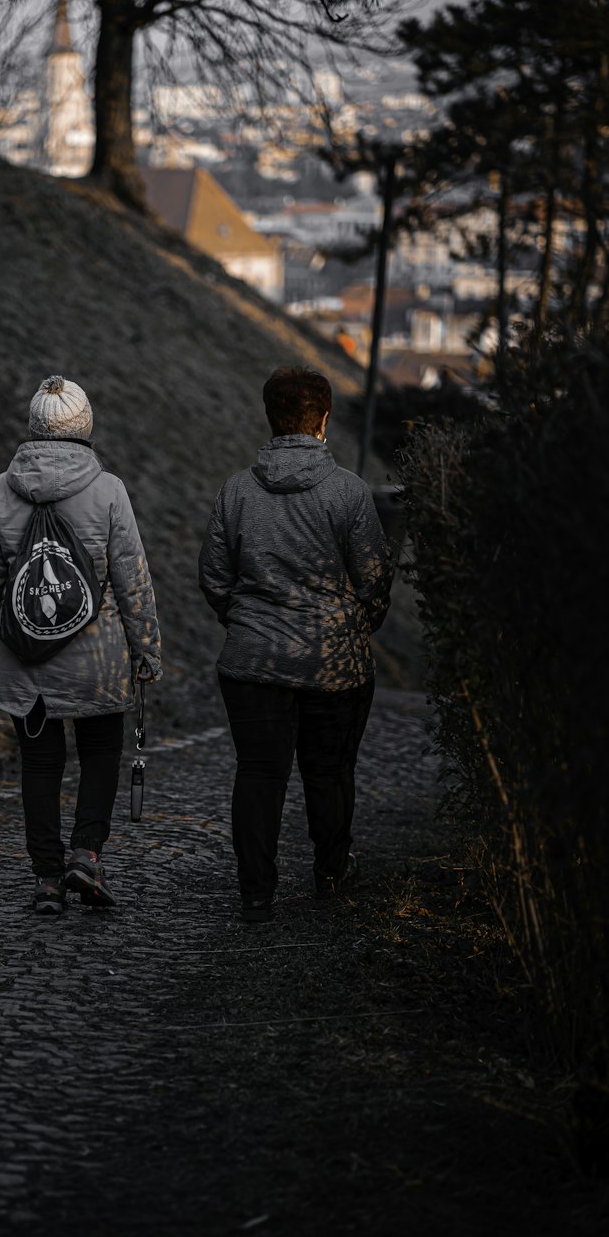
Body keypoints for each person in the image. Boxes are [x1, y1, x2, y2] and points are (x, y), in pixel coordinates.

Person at [198, 366, 392, 922]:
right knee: (329, 772)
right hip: (334, 663)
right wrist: (355, 625)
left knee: (259, 773)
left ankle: (256, 891)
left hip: (252, 660)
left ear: (271, 417)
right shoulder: (350, 493)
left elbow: (214, 575)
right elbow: (375, 578)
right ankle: (332, 873)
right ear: (323, 419)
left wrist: (243, 620)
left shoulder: (236, 491)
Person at [0, 375, 161, 915]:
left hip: (24, 662)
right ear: (85, 426)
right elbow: (132, 581)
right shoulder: (108, 491)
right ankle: (86, 855)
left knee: (39, 764)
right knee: (101, 755)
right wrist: (145, 648)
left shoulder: (0, 489)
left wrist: (25, 621)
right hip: (97, 662)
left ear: (34, 426)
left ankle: (48, 879)